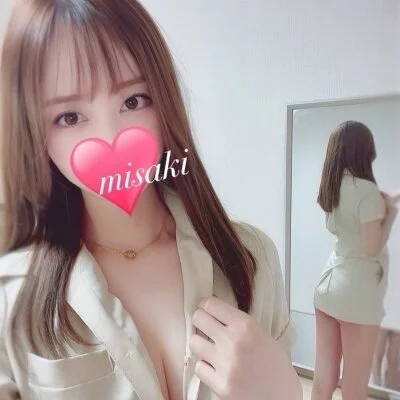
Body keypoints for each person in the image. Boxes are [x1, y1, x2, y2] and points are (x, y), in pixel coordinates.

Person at [0, 1, 302, 399]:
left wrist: (283, 391)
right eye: (69, 117)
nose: (111, 137)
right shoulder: (11, 294)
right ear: (34, 131)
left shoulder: (252, 258)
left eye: (133, 100)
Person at [311, 121, 399, 400]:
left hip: (328, 284)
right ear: (364, 150)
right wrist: (390, 214)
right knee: (354, 385)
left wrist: (385, 202)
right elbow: (372, 248)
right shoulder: (366, 191)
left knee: (323, 377)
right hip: (357, 294)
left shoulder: (332, 187)